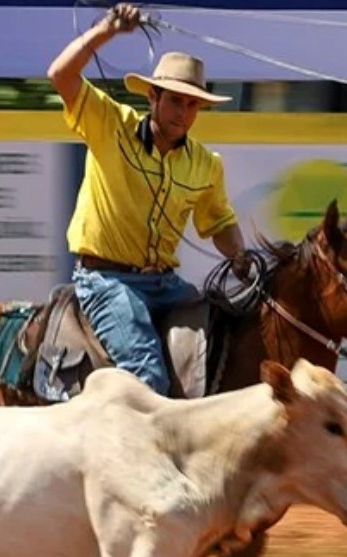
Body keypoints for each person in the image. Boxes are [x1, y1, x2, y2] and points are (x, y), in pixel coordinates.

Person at [47, 2, 249, 396]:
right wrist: (108, 29)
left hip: (165, 283)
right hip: (105, 279)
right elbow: (61, 74)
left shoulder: (206, 164)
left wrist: (242, 258)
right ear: (153, 97)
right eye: (175, 100)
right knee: (148, 377)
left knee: (227, 339)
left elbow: (219, 222)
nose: (184, 112)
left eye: (193, 104)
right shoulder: (110, 125)